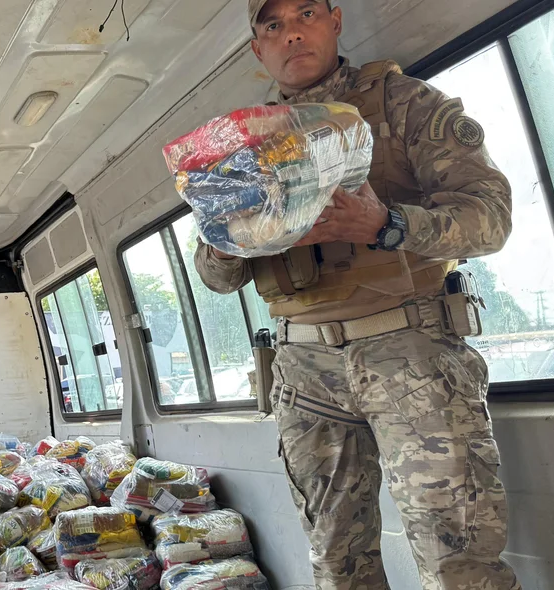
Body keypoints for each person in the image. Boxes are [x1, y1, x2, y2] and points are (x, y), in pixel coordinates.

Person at [193, 1, 521, 589]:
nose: (291, 31)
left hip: (410, 351)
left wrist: (387, 225)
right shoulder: (242, 148)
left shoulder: (405, 104)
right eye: (273, 24)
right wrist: (230, 238)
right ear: (257, 48)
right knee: (337, 563)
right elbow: (217, 278)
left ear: (335, 21)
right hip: (302, 367)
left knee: (459, 564)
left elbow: (490, 219)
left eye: (306, 13)